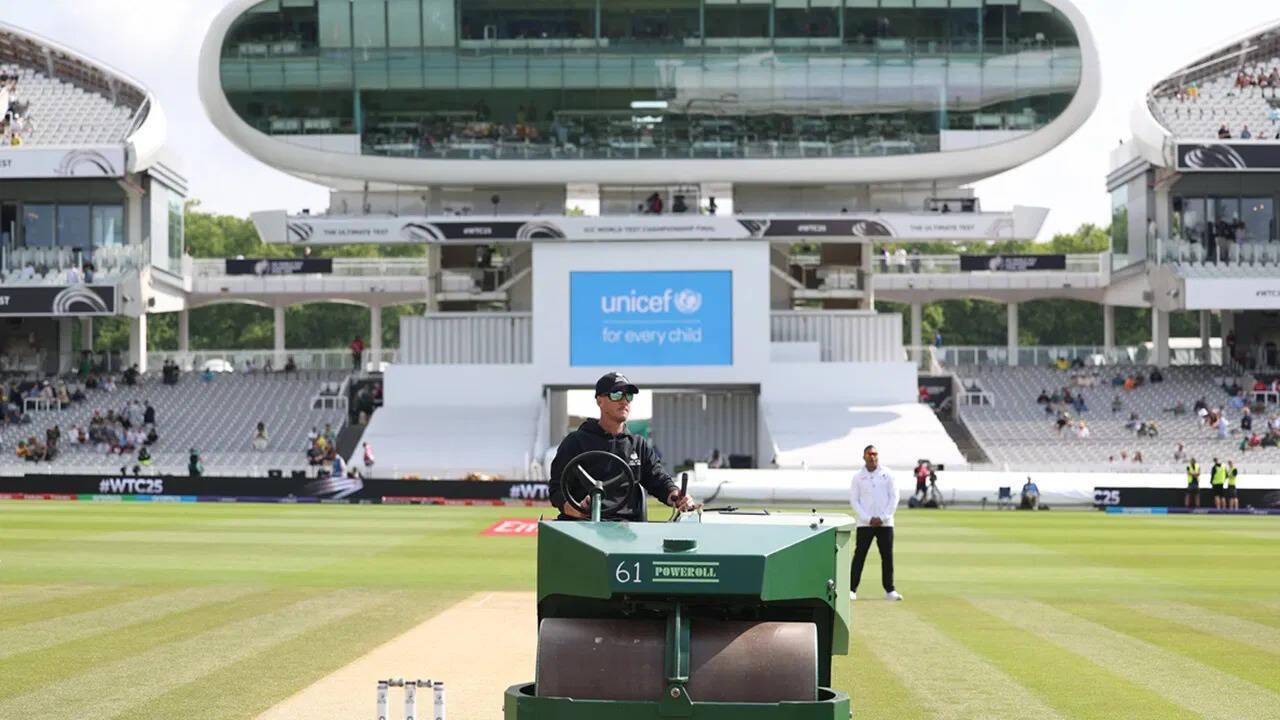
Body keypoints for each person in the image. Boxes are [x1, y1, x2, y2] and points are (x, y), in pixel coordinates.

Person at [549, 372, 697, 521]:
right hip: (585, 525)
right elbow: (557, 489)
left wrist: (676, 495)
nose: (624, 401)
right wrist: (576, 510)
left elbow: (659, 479)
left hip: (627, 528)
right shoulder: (576, 442)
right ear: (599, 401)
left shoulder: (638, 445)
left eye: (628, 396)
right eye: (616, 395)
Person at [849, 445, 902, 601]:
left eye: (875, 454)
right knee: (859, 555)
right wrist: (868, 518)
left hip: (885, 523)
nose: (872, 457)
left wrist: (883, 517)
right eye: (869, 454)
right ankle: (851, 589)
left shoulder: (887, 474)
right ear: (864, 457)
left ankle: (889, 590)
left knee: (887, 556)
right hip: (865, 523)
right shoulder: (858, 476)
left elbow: (894, 497)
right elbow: (854, 500)